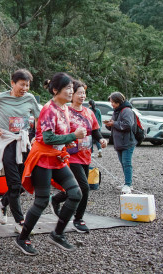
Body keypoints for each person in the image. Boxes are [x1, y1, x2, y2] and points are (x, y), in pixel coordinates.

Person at [15, 73, 85, 256]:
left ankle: (57, 234)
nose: (71, 92)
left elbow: (59, 136)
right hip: (43, 159)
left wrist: (68, 141)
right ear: (55, 90)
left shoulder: (64, 108)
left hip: (57, 158)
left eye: (72, 88)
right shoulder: (49, 109)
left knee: (76, 193)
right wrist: (73, 136)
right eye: (68, 88)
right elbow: (47, 138)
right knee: (41, 201)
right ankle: (23, 238)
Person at [0, 68, 41, 233]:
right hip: (7, 142)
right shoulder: (0, 98)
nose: (25, 88)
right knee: (14, 184)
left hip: (24, 143)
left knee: (25, 183)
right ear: (12, 83)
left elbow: (39, 117)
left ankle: (3, 203)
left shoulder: (30, 98)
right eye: (22, 85)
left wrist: (37, 135)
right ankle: (19, 222)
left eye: (27, 85)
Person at [50, 80, 107, 233]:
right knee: (84, 187)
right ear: (72, 94)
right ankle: (78, 219)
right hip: (70, 155)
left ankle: (56, 199)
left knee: (76, 187)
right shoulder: (66, 112)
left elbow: (95, 130)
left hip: (86, 154)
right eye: (79, 93)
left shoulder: (89, 112)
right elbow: (58, 131)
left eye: (84, 93)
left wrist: (101, 139)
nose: (82, 96)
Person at [104, 92, 136, 194]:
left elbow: (128, 125)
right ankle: (127, 182)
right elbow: (115, 125)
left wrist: (114, 123)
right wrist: (109, 124)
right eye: (111, 102)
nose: (112, 104)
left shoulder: (126, 110)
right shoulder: (116, 111)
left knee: (127, 163)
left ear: (119, 101)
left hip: (127, 142)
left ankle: (128, 184)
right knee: (123, 163)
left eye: (113, 102)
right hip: (118, 142)